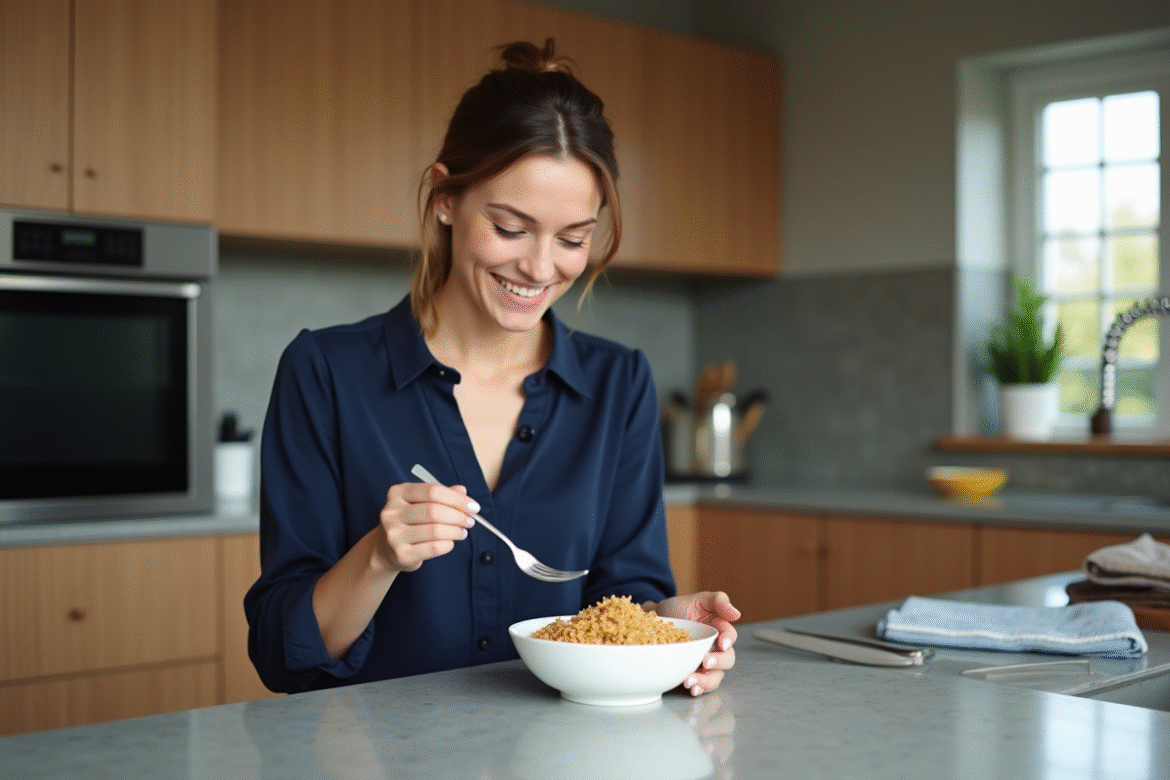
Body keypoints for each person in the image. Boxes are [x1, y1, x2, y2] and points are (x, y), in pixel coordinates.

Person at [245, 39, 740, 696]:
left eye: (573, 238)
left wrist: (663, 629)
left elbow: (623, 598)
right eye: (510, 228)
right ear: (446, 198)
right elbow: (284, 655)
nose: (540, 268)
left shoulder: (619, 384)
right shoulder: (326, 372)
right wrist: (379, 556)